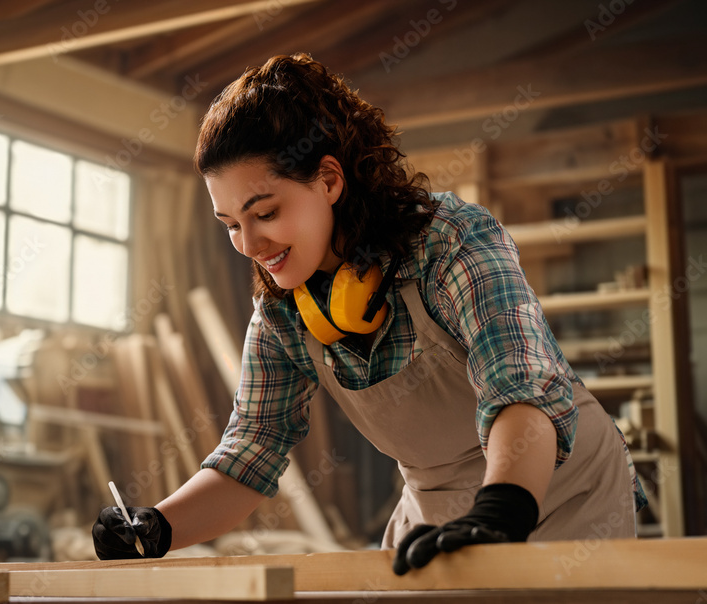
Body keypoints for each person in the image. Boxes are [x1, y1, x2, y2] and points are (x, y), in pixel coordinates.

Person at [92, 53, 645, 574]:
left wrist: (501, 510)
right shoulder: (283, 313)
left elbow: (519, 385)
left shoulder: (451, 242)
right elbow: (253, 447)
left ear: (329, 180)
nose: (249, 244)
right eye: (231, 224)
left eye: (264, 212)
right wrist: (157, 527)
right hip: (437, 510)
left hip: (556, 493)